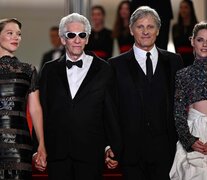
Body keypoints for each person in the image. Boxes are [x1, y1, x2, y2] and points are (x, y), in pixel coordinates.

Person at [38, 13, 121, 180]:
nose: (77, 40)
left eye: (82, 35)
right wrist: (38, 147)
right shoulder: (49, 70)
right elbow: (42, 110)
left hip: (91, 152)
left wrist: (110, 146)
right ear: (63, 39)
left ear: (87, 39)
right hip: (57, 153)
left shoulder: (104, 69)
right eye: (71, 35)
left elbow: (110, 112)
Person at [106, 6, 183, 180]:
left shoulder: (174, 61)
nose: (145, 31)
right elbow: (110, 109)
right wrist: (111, 145)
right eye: (140, 27)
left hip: (167, 150)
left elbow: (181, 104)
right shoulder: (115, 65)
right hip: (130, 151)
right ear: (131, 30)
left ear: (158, 30)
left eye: (150, 27)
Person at [0, 18, 47, 179]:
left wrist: (41, 144)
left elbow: (35, 109)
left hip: (19, 143)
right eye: (10, 33)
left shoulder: (28, 70)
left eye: (19, 34)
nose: (16, 37)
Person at [170, 21, 207, 180]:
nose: (205, 45)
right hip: (194, 135)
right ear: (192, 41)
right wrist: (188, 140)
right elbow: (178, 112)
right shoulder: (183, 75)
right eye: (200, 40)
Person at [172, 0, 198, 67]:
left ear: (191, 9)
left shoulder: (197, 27)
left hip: (193, 60)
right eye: (181, 7)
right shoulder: (175, 27)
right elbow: (176, 47)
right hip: (180, 61)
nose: (183, 10)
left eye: (186, 7)